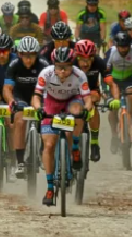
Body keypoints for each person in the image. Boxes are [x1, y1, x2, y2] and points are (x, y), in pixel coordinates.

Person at [33, 47, 94, 206]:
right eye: (58, 66)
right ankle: (50, 186)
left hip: (71, 101)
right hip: (51, 103)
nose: (62, 70)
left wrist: (87, 110)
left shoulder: (79, 75)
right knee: (49, 144)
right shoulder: (46, 74)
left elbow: (87, 99)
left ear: (72, 65)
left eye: (66, 66)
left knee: (77, 111)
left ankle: (74, 146)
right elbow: (37, 96)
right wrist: (38, 109)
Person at [3, 35, 49, 177]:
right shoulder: (14, 64)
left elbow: (51, 87)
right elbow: (7, 89)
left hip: (38, 95)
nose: (28, 59)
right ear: (20, 54)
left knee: (45, 119)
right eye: (25, 55)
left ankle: (42, 150)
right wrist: (11, 101)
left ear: (37, 54)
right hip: (20, 96)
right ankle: (20, 161)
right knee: (20, 121)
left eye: (32, 55)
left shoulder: (44, 65)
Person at [103, 32, 132, 153]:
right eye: (121, 47)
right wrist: (105, 89)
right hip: (114, 80)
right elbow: (103, 72)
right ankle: (113, 136)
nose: (124, 49)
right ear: (116, 46)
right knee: (113, 106)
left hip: (128, 79)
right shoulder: (111, 52)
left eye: (126, 46)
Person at [73, 39, 105, 162]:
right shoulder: (70, 62)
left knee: (92, 103)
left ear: (93, 58)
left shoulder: (99, 62)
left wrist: (113, 97)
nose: (85, 63)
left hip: (92, 91)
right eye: (82, 59)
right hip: (74, 92)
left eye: (89, 59)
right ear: (76, 57)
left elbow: (109, 81)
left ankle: (94, 143)